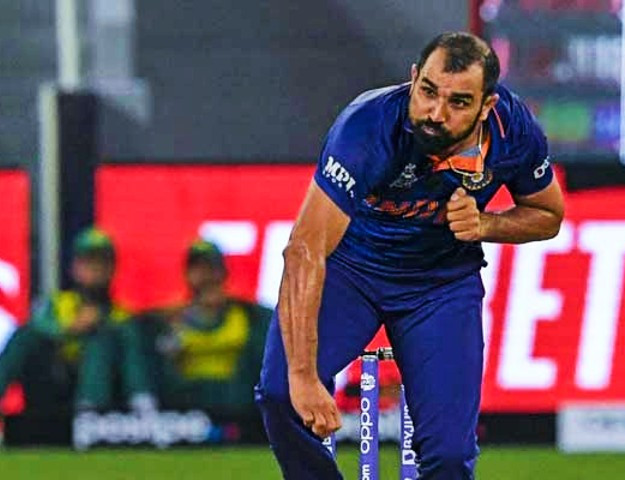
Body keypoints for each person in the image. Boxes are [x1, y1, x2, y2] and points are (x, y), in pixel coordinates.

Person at [255, 31, 564, 479]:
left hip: (440, 285)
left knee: (450, 458)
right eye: (428, 92)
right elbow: (304, 250)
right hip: (352, 271)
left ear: (486, 106)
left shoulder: (512, 131)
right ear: (414, 78)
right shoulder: (367, 126)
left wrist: (486, 225)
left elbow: (547, 214)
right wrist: (303, 376)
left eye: (459, 102)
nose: (436, 114)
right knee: (281, 394)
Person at [0, 227, 154, 413]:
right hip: (54, 383)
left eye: (102, 262)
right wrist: (70, 329)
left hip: (105, 393)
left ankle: (118, 411)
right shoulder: (57, 304)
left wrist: (99, 324)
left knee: (102, 340)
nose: (95, 269)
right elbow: (35, 329)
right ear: (75, 267)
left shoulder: (122, 315)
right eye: (88, 262)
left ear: (112, 268)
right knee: (23, 336)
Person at [141, 239, 272, 412]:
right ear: (187, 274)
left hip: (239, 403)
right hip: (187, 405)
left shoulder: (249, 315)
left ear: (224, 272)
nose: (206, 276)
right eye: (198, 269)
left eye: (211, 268)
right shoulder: (169, 319)